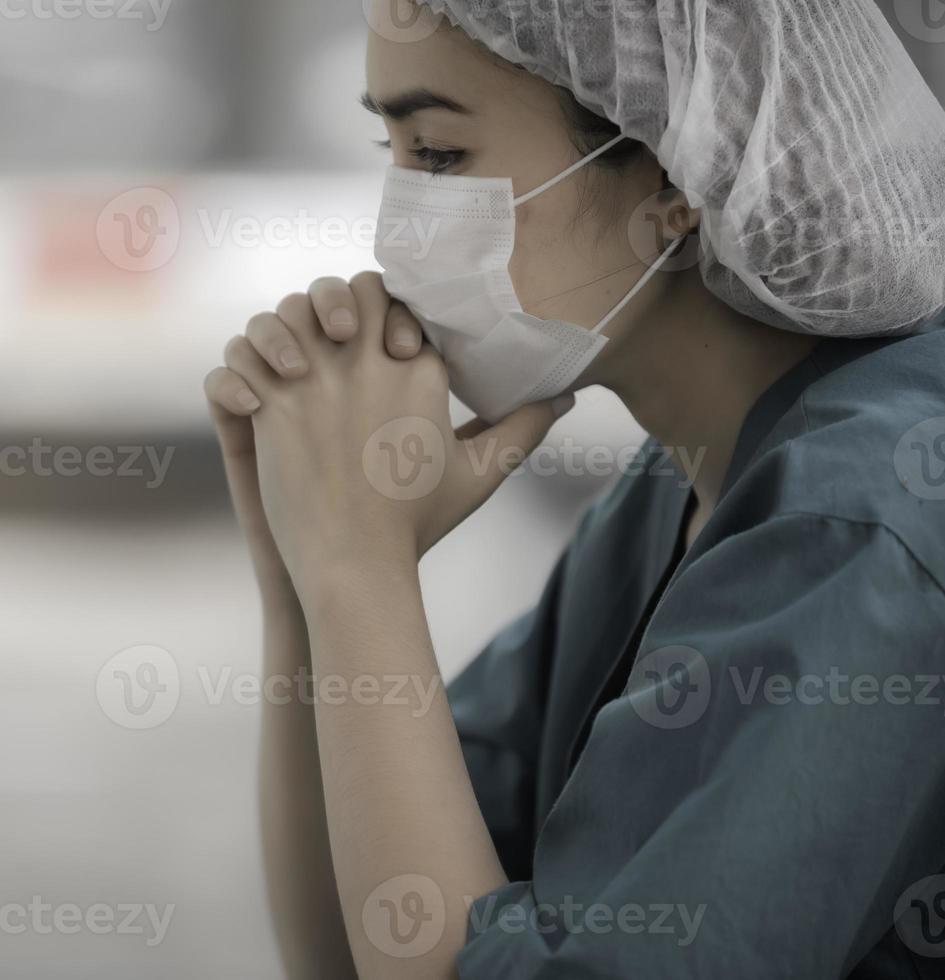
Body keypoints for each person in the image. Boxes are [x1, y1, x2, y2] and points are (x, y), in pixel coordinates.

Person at [201, 1, 945, 977]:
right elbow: (354, 941)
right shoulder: (672, 492)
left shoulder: (855, 523)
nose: (394, 233)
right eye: (385, 145)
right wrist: (302, 576)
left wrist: (359, 567)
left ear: (676, 181)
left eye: (436, 155)